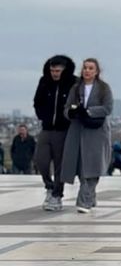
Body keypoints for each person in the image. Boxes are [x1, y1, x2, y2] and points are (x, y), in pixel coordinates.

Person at [61, 58, 113, 213]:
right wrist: (71, 112)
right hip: (77, 130)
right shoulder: (76, 88)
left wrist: (89, 111)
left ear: (96, 71)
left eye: (91, 68)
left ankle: (84, 201)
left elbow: (108, 108)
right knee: (81, 166)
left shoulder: (104, 88)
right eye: (85, 68)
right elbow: (66, 108)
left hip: (96, 132)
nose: (87, 71)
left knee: (93, 166)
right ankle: (90, 196)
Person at [33, 55, 76, 210]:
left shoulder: (73, 83)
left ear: (64, 70)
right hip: (46, 128)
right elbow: (37, 102)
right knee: (41, 161)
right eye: (52, 70)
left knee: (59, 164)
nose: (54, 74)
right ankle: (49, 186)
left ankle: (57, 195)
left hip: (63, 130)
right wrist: (42, 115)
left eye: (57, 71)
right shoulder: (44, 81)